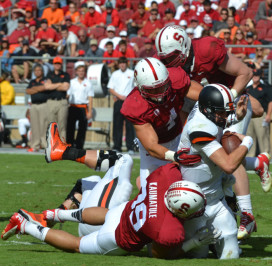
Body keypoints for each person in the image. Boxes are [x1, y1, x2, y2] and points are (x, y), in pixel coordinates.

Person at [3, 125, 219, 259]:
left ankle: (54, 215)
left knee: (107, 213)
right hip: (115, 238)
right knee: (78, 246)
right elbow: (157, 253)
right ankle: (28, 226)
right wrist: (194, 243)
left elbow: (145, 179)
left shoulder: (165, 178)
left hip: (120, 213)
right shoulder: (170, 230)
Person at [154, 25, 270, 240]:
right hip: (202, 105)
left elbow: (245, 72)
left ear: (185, 48)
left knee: (229, 149)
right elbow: (184, 101)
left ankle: (247, 214)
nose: (169, 63)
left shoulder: (207, 49)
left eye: (172, 57)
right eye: (165, 59)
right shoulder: (168, 67)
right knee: (206, 157)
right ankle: (256, 164)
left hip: (226, 100)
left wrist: (229, 103)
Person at [179, 83, 251, 259]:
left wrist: (236, 116)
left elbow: (217, 118)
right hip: (194, 205)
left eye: (227, 112)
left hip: (216, 200)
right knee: (199, 255)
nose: (225, 116)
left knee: (231, 254)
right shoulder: (199, 128)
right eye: (222, 112)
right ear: (208, 110)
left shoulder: (206, 112)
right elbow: (228, 165)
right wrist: (247, 142)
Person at [121, 57, 203, 187]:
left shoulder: (175, 78)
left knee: (191, 185)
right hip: (155, 147)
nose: (160, 93)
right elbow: (152, 147)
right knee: (149, 191)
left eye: (162, 86)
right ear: (140, 88)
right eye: (153, 90)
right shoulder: (135, 105)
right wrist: (175, 157)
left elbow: (205, 96)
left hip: (179, 137)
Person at [107, 57, 135, 153]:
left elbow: (136, 87)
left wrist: (130, 97)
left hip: (129, 101)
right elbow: (110, 88)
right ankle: (117, 146)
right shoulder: (115, 74)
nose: (122, 65)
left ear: (127, 64)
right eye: (121, 63)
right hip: (118, 101)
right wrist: (119, 96)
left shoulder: (131, 73)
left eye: (124, 63)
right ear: (118, 64)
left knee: (129, 125)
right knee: (117, 124)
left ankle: (130, 147)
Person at [66, 61, 94, 149]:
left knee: (82, 128)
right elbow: (68, 95)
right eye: (79, 71)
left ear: (84, 72)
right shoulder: (71, 82)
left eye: (82, 71)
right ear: (76, 72)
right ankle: (69, 145)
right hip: (73, 106)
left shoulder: (88, 83)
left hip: (83, 107)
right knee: (70, 127)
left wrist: (90, 112)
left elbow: (90, 98)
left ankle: (79, 146)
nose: (81, 72)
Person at [246, 69, 272, 158]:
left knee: (263, 136)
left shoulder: (265, 88)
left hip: (261, 116)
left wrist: (268, 115)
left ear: (260, 76)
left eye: (257, 75)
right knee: (249, 136)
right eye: (254, 75)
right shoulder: (248, 88)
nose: (255, 77)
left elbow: (270, 102)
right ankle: (250, 156)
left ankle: (266, 155)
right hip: (249, 115)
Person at [25, 64, 50, 152]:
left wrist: (35, 89)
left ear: (42, 72)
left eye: (39, 70)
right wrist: (39, 88)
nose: (37, 72)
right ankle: (34, 145)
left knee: (44, 125)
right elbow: (28, 90)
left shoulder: (46, 80)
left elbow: (45, 87)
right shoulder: (32, 81)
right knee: (34, 126)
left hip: (44, 104)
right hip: (34, 105)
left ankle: (45, 144)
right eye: (36, 71)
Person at [45, 56, 70, 140]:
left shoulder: (65, 75)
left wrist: (53, 85)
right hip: (51, 101)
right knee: (51, 125)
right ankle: (52, 145)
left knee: (62, 126)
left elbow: (66, 87)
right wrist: (60, 84)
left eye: (59, 63)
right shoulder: (49, 74)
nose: (57, 65)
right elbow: (47, 87)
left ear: (61, 64)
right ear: (53, 64)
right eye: (56, 63)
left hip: (62, 101)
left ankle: (62, 146)